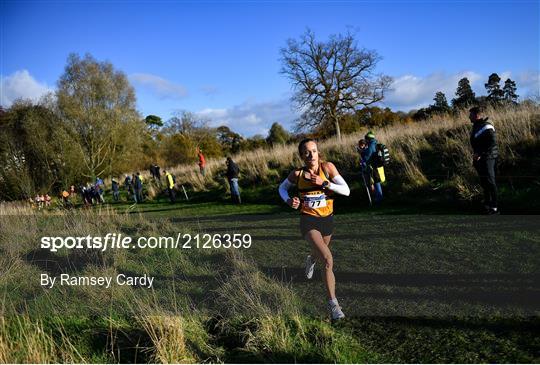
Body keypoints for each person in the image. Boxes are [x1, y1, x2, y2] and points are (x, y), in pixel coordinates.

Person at [278, 138, 350, 321]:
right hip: (308, 220)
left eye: (314, 151)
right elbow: (282, 188)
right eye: (307, 152)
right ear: (302, 156)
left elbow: (346, 191)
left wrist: (324, 183)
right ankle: (334, 305)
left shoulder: (327, 168)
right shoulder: (297, 175)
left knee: (319, 255)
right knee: (327, 259)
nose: (311, 155)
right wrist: (288, 200)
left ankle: (310, 259)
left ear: (318, 152)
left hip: (327, 220)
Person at [469, 105, 499, 214]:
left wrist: (480, 153)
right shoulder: (476, 126)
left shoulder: (486, 126)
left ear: (477, 115)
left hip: (489, 157)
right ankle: (487, 205)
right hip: (480, 159)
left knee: (491, 182)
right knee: (484, 183)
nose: (469, 117)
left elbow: (492, 142)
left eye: (471, 115)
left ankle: (494, 208)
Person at [359, 132, 383, 203]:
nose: (365, 140)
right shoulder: (374, 144)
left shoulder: (371, 145)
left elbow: (368, 157)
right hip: (376, 165)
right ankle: (379, 198)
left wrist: (362, 158)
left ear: (368, 139)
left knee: (376, 182)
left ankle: (379, 199)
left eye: (366, 138)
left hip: (373, 166)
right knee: (376, 182)